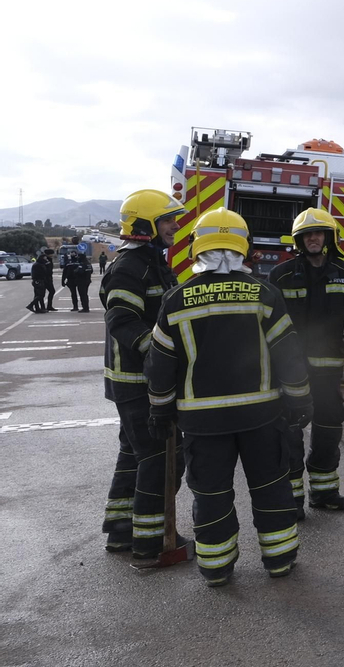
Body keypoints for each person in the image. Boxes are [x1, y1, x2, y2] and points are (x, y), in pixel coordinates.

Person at [147, 208, 312, 586]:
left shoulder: (176, 300)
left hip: (202, 423)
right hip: (261, 417)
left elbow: (160, 366)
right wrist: (300, 399)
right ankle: (280, 559)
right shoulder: (265, 294)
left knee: (211, 494)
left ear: (197, 248)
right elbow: (289, 354)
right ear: (244, 247)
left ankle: (216, 567)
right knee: (271, 488)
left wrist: (159, 411)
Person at [268, 208, 344, 514]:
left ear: (328, 237)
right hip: (291, 369)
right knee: (290, 431)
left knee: (329, 428)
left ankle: (325, 492)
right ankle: (291, 500)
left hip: (329, 369)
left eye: (318, 233)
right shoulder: (280, 276)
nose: (313, 239)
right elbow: (264, 318)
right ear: (298, 240)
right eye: (307, 235)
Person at [99, 190, 186, 555]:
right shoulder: (130, 267)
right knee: (161, 455)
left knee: (134, 453)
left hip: (136, 380)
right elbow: (122, 321)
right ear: (147, 225)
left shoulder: (152, 262)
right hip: (137, 380)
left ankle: (121, 527)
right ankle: (150, 541)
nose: (174, 226)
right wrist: (160, 354)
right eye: (167, 220)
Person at [28, 248, 55, 313]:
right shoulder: (42, 263)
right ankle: (35, 306)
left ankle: (42, 307)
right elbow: (45, 272)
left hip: (43, 279)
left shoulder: (44, 262)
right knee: (40, 294)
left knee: (41, 294)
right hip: (42, 280)